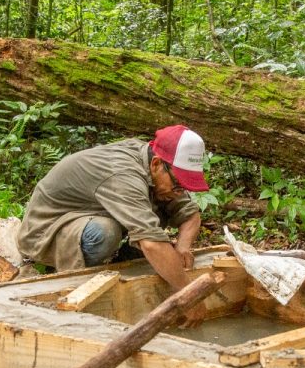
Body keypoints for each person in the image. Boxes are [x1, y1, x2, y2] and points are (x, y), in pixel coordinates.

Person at [17, 124, 210, 327]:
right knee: (105, 233)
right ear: (156, 165)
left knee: (156, 212)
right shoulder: (124, 174)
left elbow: (190, 213)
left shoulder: (157, 167)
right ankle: (80, 279)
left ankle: (119, 259)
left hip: (88, 216)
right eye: (178, 185)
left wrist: (183, 248)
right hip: (46, 230)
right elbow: (152, 243)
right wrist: (189, 295)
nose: (180, 192)